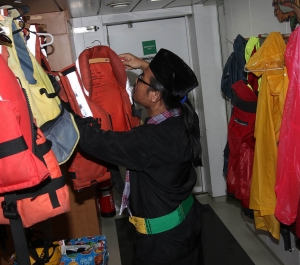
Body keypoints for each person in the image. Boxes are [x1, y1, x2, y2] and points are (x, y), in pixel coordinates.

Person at [75, 48, 204, 265]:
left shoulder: (150, 140)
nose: (136, 82)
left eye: (142, 79)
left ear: (155, 95)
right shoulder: (182, 115)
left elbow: (94, 141)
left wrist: (64, 111)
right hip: (186, 223)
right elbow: (178, 93)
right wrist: (144, 65)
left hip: (162, 244)